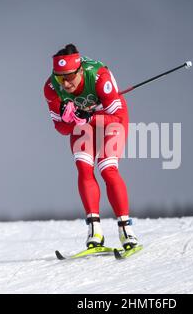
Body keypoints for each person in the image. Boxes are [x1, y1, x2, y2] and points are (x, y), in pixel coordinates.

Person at [43, 44, 139, 250]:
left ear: (79, 70)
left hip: (109, 119)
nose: (65, 83)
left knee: (108, 168)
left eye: (69, 77)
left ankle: (126, 230)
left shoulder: (98, 77)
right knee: (84, 167)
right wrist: (69, 118)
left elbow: (117, 116)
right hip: (83, 123)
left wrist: (91, 115)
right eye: (60, 78)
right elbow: (61, 128)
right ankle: (95, 230)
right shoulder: (51, 88)